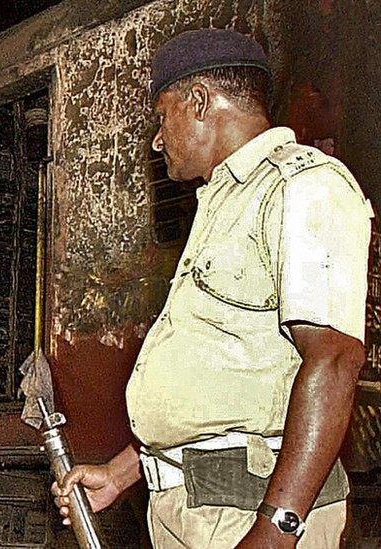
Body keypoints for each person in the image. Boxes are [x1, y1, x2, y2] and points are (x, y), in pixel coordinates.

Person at [54, 28, 373, 548]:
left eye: (162, 116)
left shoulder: (303, 186)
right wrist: (121, 473)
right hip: (197, 511)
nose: (157, 139)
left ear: (198, 101)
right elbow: (222, 387)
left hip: (247, 515)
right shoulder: (221, 205)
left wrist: (276, 529)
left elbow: (334, 360)